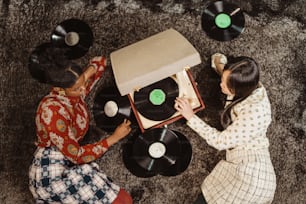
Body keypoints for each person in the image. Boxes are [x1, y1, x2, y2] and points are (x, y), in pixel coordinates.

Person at [28, 44, 133, 204]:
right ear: (59, 89)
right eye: (77, 88)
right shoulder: (52, 114)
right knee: (124, 200)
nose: (83, 89)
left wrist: (83, 75)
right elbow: (77, 155)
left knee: (123, 200)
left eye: (83, 83)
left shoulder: (72, 90)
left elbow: (100, 62)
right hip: (50, 177)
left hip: (66, 162)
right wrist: (114, 138)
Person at [174, 54, 277, 204]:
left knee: (209, 199)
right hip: (255, 170)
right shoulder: (252, 85)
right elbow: (231, 70)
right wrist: (221, 65)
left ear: (238, 89)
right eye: (223, 79)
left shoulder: (252, 115)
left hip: (251, 180)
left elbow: (220, 141)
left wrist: (190, 116)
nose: (220, 84)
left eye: (225, 84)